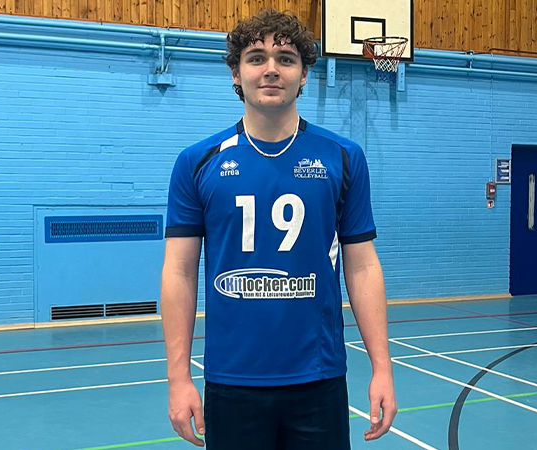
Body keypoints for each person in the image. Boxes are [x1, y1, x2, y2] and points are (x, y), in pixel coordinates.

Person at [161, 9, 396, 450]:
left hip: (319, 377)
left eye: (286, 59)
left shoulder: (343, 157)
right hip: (232, 379)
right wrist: (179, 377)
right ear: (236, 72)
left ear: (304, 74)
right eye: (256, 58)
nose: (271, 69)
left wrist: (382, 367)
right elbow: (179, 271)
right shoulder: (197, 162)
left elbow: (363, 266)